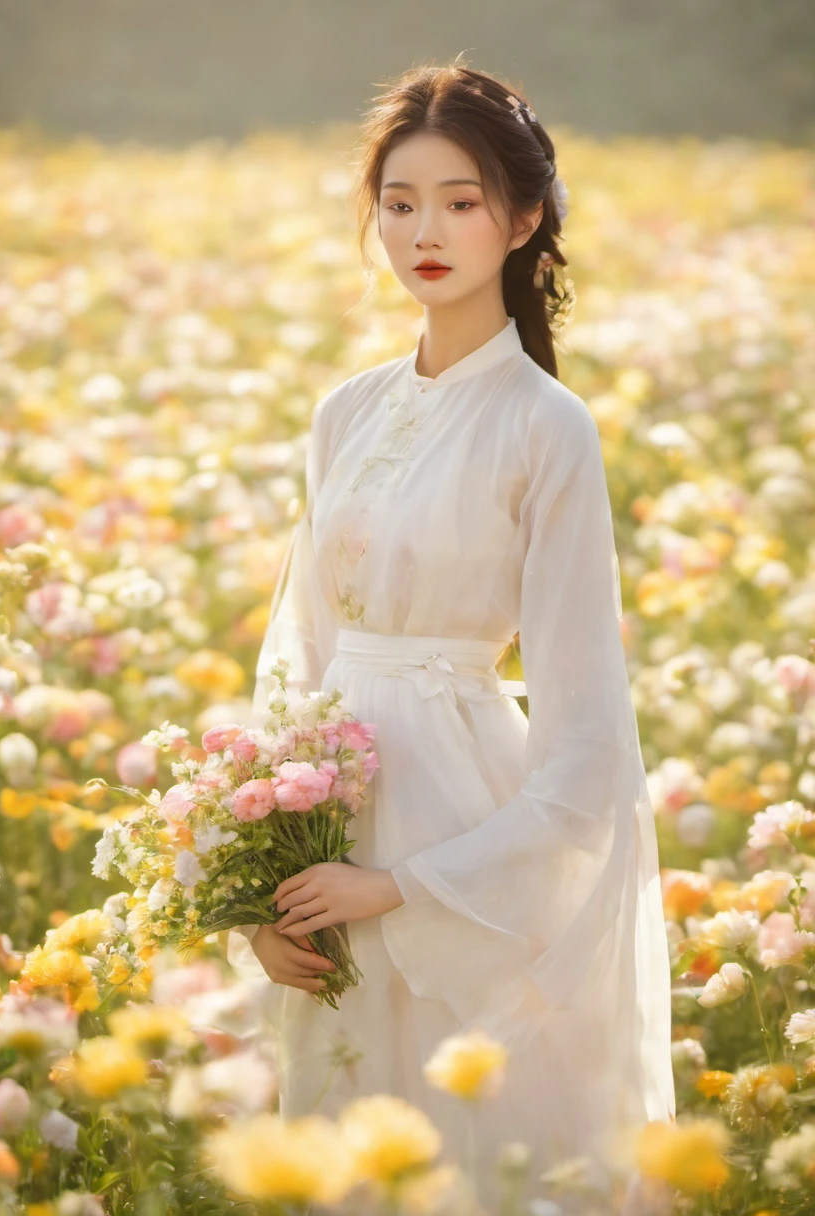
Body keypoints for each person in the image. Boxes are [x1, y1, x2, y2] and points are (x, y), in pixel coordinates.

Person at [228, 58, 676, 1215]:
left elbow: (585, 746)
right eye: (399, 201)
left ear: (523, 218)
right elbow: (298, 652)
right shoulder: (346, 410)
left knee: (467, 1145)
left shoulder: (546, 427)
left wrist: (398, 886)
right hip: (323, 825)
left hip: (457, 842)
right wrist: (259, 888)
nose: (425, 230)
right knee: (336, 1148)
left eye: (462, 200)